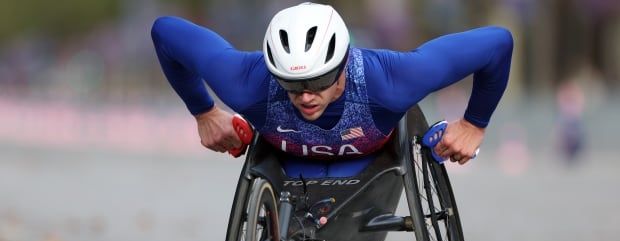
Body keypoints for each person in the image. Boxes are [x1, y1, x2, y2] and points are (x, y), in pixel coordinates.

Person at [151, 2, 513, 177]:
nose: (306, 96)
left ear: (342, 65)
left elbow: (497, 43)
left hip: (372, 168)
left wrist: (473, 124)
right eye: (291, 84)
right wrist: (204, 112)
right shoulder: (248, 83)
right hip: (290, 169)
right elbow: (164, 31)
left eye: (319, 81)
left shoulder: (391, 81)